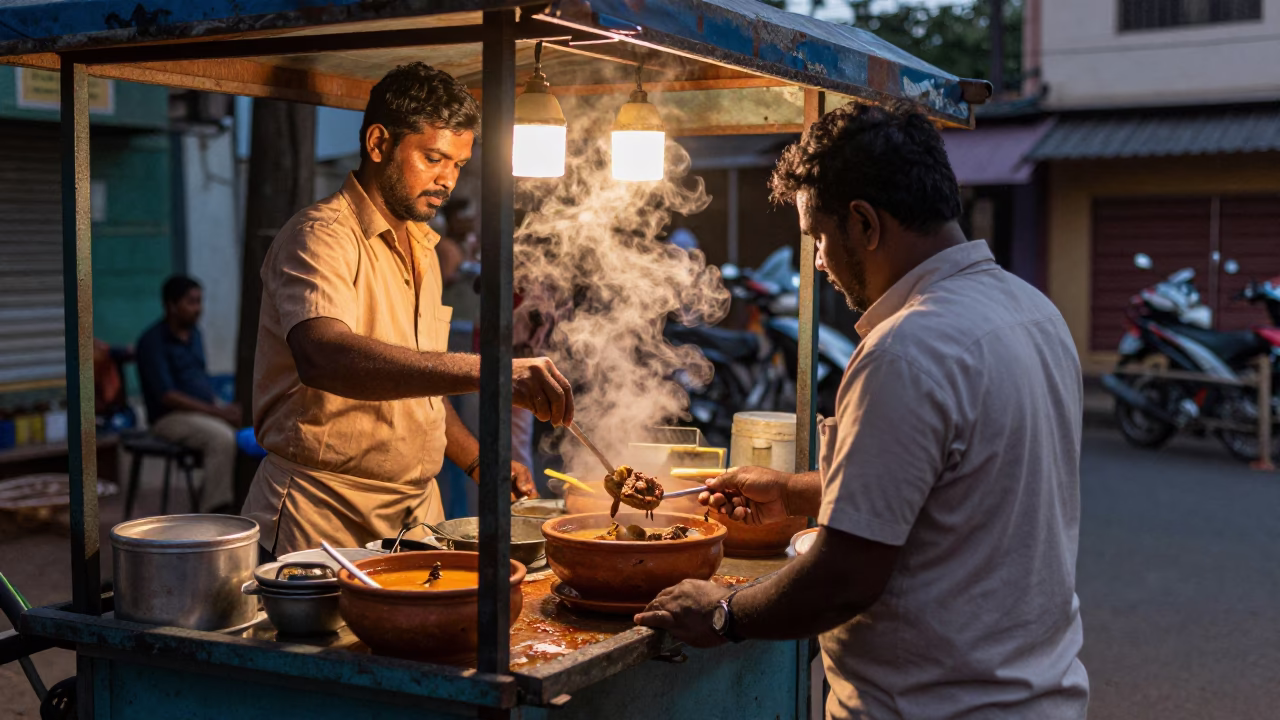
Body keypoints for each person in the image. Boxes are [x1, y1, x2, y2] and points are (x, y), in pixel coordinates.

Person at [636, 102, 1090, 719]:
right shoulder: (1032, 310)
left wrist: (721, 612)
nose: (819, 263)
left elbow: (846, 577)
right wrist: (796, 491)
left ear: (864, 223)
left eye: (819, 238)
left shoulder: (907, 349)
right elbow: (958, 491)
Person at [241, 62, 574, 558]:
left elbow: (419, 389)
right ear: (378, 144)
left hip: (418, 522)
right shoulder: (319, 236)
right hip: (322, 521)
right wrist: (496, 375)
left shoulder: (424, 248)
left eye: (459, 164)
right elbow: (324, 357)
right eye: (434, 158)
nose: (448, 180)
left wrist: (481, 462)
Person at [136, 276, 239, 513]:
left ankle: (237, 500)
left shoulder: (195, 335)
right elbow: (168, 395)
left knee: (249, 430)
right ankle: (214, 513)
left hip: (203, 410)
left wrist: (222, 407)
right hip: (169, 419)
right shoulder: (152, 341)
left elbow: (199, 379)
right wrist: (217, 412)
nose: (198, 309)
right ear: (172, 306)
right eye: (191, 302)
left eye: (200, 301)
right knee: (221, 438)